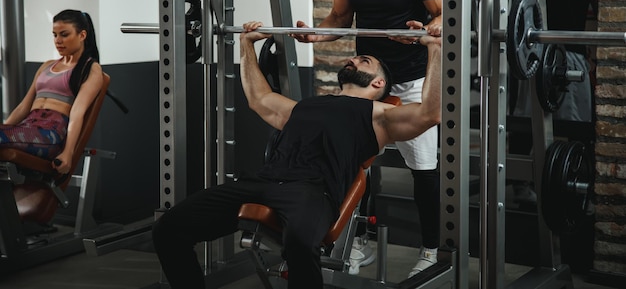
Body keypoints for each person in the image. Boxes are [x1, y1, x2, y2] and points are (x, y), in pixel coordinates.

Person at [152, 21, 442, 289]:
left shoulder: (380, 114)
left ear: (378, 83)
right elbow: (259, 98)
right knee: (169, 229)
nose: (352, 59)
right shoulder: (305, 106)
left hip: (311, 191)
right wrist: (246, 44)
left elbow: (430, 113)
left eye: (363, 61)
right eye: (354, 58)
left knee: (300, 245)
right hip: (262, 181)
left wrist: (434, 48)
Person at [291, 0, 443, 277]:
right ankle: (356, 242)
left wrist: (424, 31)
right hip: (367, 83)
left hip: (411, 78)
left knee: (423, 167)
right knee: (355, 164)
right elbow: (339, 18)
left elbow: (443, 18)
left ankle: (431, 250)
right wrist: (314, 37)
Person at [510, 0, 599, 204]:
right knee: (575, 124)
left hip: (534, 53)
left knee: (527, 117)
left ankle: (522, 185)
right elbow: (601, 12)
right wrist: (594, 57)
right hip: (567, 53)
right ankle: (574, 181)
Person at [1, 9, 102, 175]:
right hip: (27, 127)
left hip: (50, 134)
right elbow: (23, 108)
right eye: (54, 35)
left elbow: (77, 113)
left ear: (82, 35)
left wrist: (68, 153)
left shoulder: (91, 69)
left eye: (64, 34)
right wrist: (6, 128)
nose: (58, 41)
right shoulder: (47, 66)